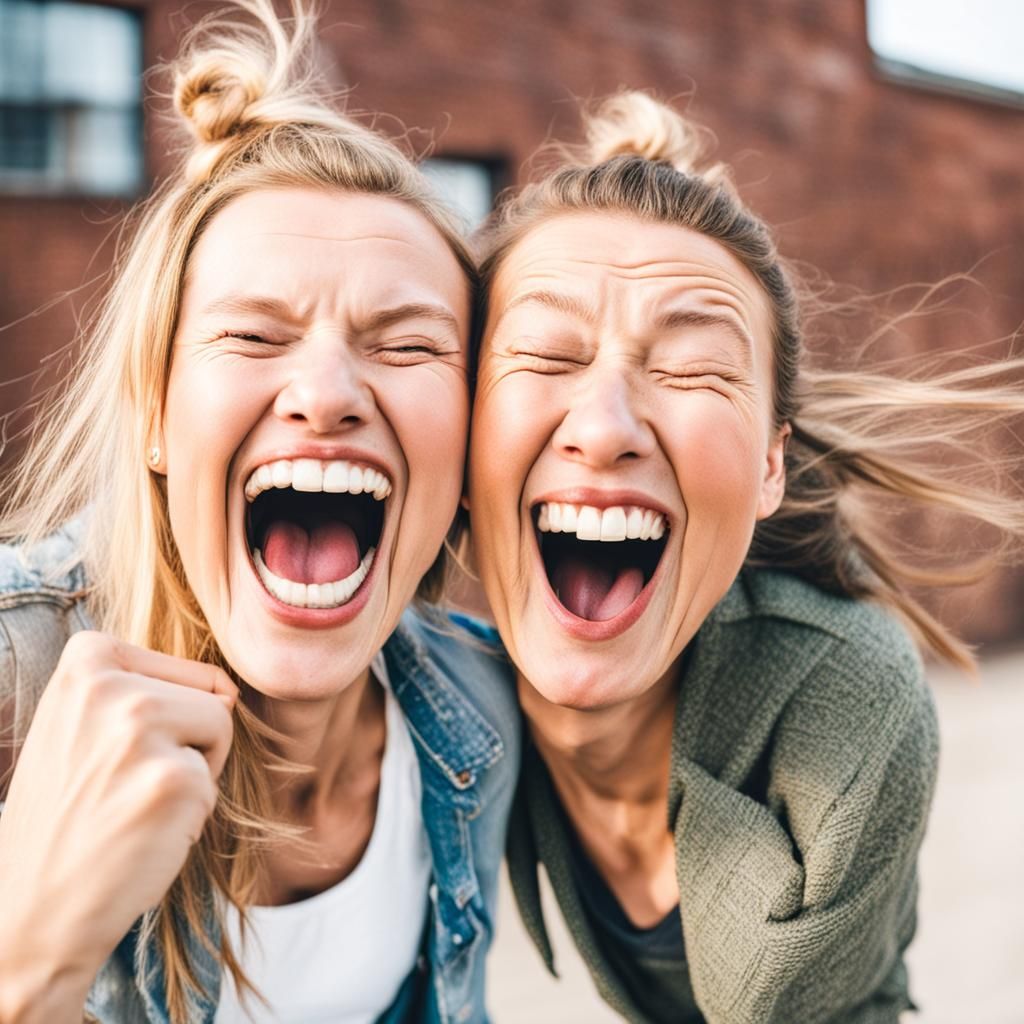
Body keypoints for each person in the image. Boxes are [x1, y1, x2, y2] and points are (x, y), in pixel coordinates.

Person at [0, 3, 517, 1022]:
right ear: (155, 411)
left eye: (407, 345)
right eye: (251, 335)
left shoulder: (478, 711)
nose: (326, 393)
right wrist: (24, 963)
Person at [466, 92, 1024, 1023]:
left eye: (691, 371)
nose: (604, 429)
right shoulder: (427, 698)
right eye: (546, 355)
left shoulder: (845, 693)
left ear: (770, 465)